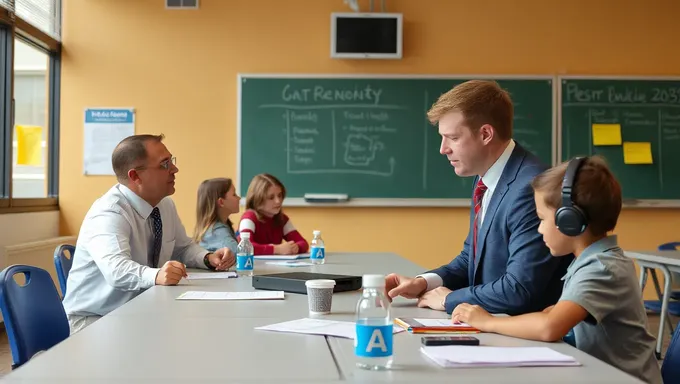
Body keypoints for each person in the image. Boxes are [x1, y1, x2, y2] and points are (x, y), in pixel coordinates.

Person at [452, 156, 662, 384]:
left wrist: (487, 322)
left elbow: (550, 327)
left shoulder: (601, 268)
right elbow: (551, 314)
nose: (539, 229)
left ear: (569, 221)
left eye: (541, 218)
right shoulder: (587, 261)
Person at [385, 80, 572, 315]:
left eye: (452, 137)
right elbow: (471, 258)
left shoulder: (530, 188)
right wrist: (424, 283)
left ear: (485, 134)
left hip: (526, 337)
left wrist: (449, 299)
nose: (443, 149)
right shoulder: (486, 177)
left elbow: (519, 290)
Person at [62, 134, 235, 334]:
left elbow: (183, 248)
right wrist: (156, 275)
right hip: (95, 320)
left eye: (172, 161)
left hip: (140, 311)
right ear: (135, 176)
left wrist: (207, 257)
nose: (175, 169)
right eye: (164, 164)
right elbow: (117, 270)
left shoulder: (164, 204)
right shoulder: (109, 212)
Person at [238, 173, 309, 255]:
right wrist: (277, 249)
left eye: (280, 195)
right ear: (257, 199)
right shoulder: (249, 217)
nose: (278, 201)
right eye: (271, 197)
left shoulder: (282, 219)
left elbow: (303, 243)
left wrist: (296, 247)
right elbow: (245, 247)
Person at [193, 177, 240, 255]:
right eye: (234, 194)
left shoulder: (223, 226)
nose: (239, 198)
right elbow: (241, 255)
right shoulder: (217, 232)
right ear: (221, 202)